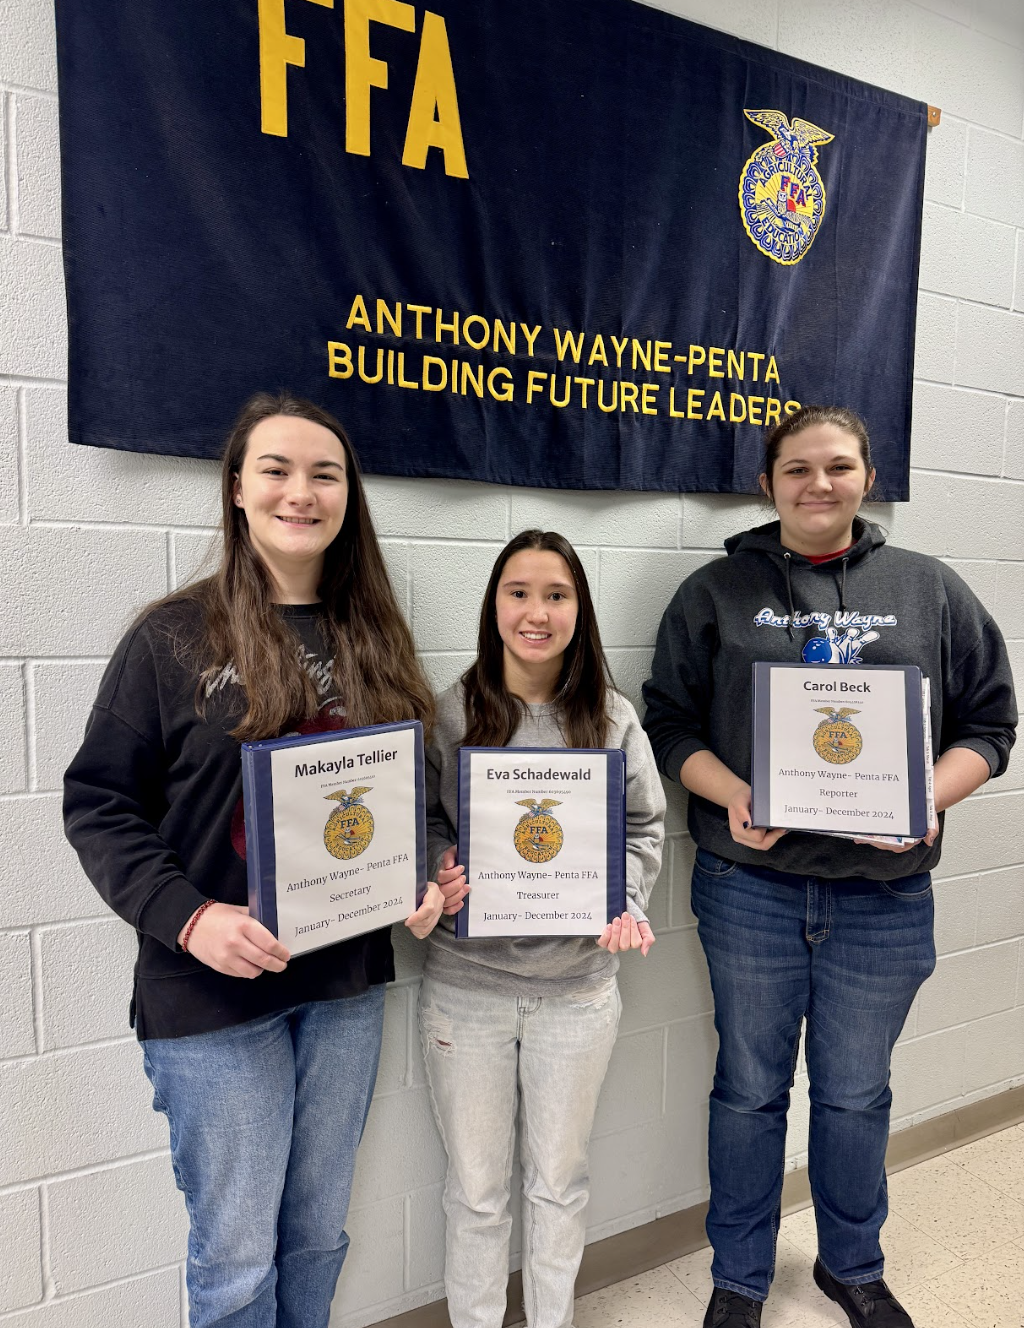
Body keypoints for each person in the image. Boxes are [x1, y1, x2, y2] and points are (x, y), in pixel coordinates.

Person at [63, 392, 444, 1328]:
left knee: (317, 1235)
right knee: (235, 1258)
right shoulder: (170, 637)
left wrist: (427, 872)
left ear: (349, 495)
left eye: (325, 473)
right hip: (212, 1001)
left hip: (344, 987)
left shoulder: (377, 638)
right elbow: (98, 804)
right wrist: (191, 917)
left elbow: (413, 797)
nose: (300, 492)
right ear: (236, 488)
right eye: (276, 469)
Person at [642, 405, 1017, 1328]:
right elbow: (668, 726)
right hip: (749, 890)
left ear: (867, 475)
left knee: (854, 1094)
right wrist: (730, 790)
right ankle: (739, 1275)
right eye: (798, 469)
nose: (820, 484)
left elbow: (991, 725)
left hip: (884, 900)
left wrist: (927, 796)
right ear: (767, 483)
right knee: (749, 1089)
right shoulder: (712, 591)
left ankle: (851, 1264)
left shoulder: (928, 589)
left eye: (839, 466)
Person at [421, 529, 666, 1328]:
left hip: (577, 996)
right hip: (467, 994)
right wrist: (441, 867)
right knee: (478, 1193)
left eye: (556, 595)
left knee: (559, 1184)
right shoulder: (451, 712)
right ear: (493, 606)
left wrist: (623, 899)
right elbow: (419, 823)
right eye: (518, 593)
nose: (537, 612)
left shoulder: (611, 717)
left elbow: (642, 829)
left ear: (579, 610)